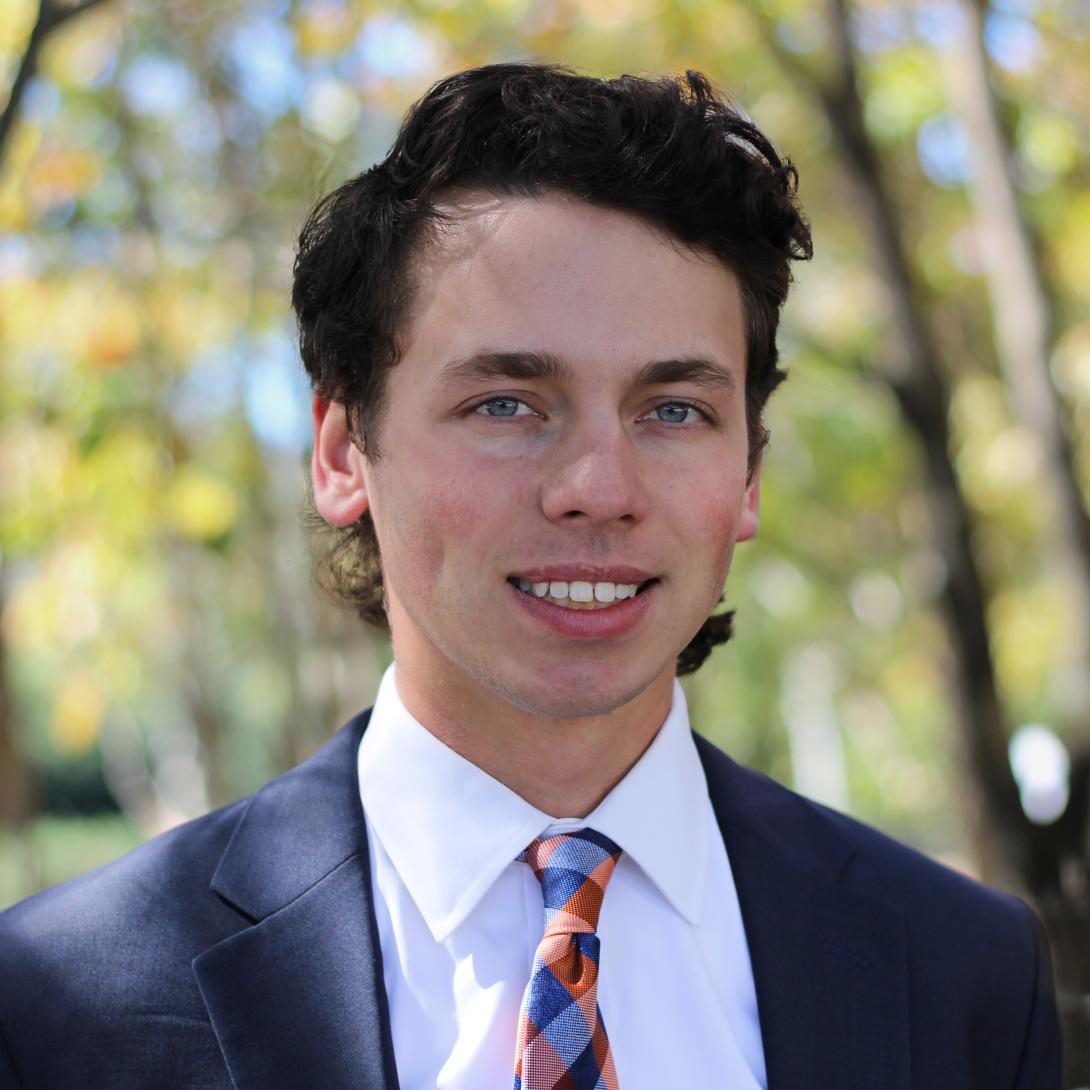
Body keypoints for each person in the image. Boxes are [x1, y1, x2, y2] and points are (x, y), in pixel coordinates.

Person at [0, 64, 1060, 1090]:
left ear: (748, 473)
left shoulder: (963, 974)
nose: (600, 487)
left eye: (674, 410)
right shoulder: (58, 1001)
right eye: (507, 403)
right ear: (340, 452)